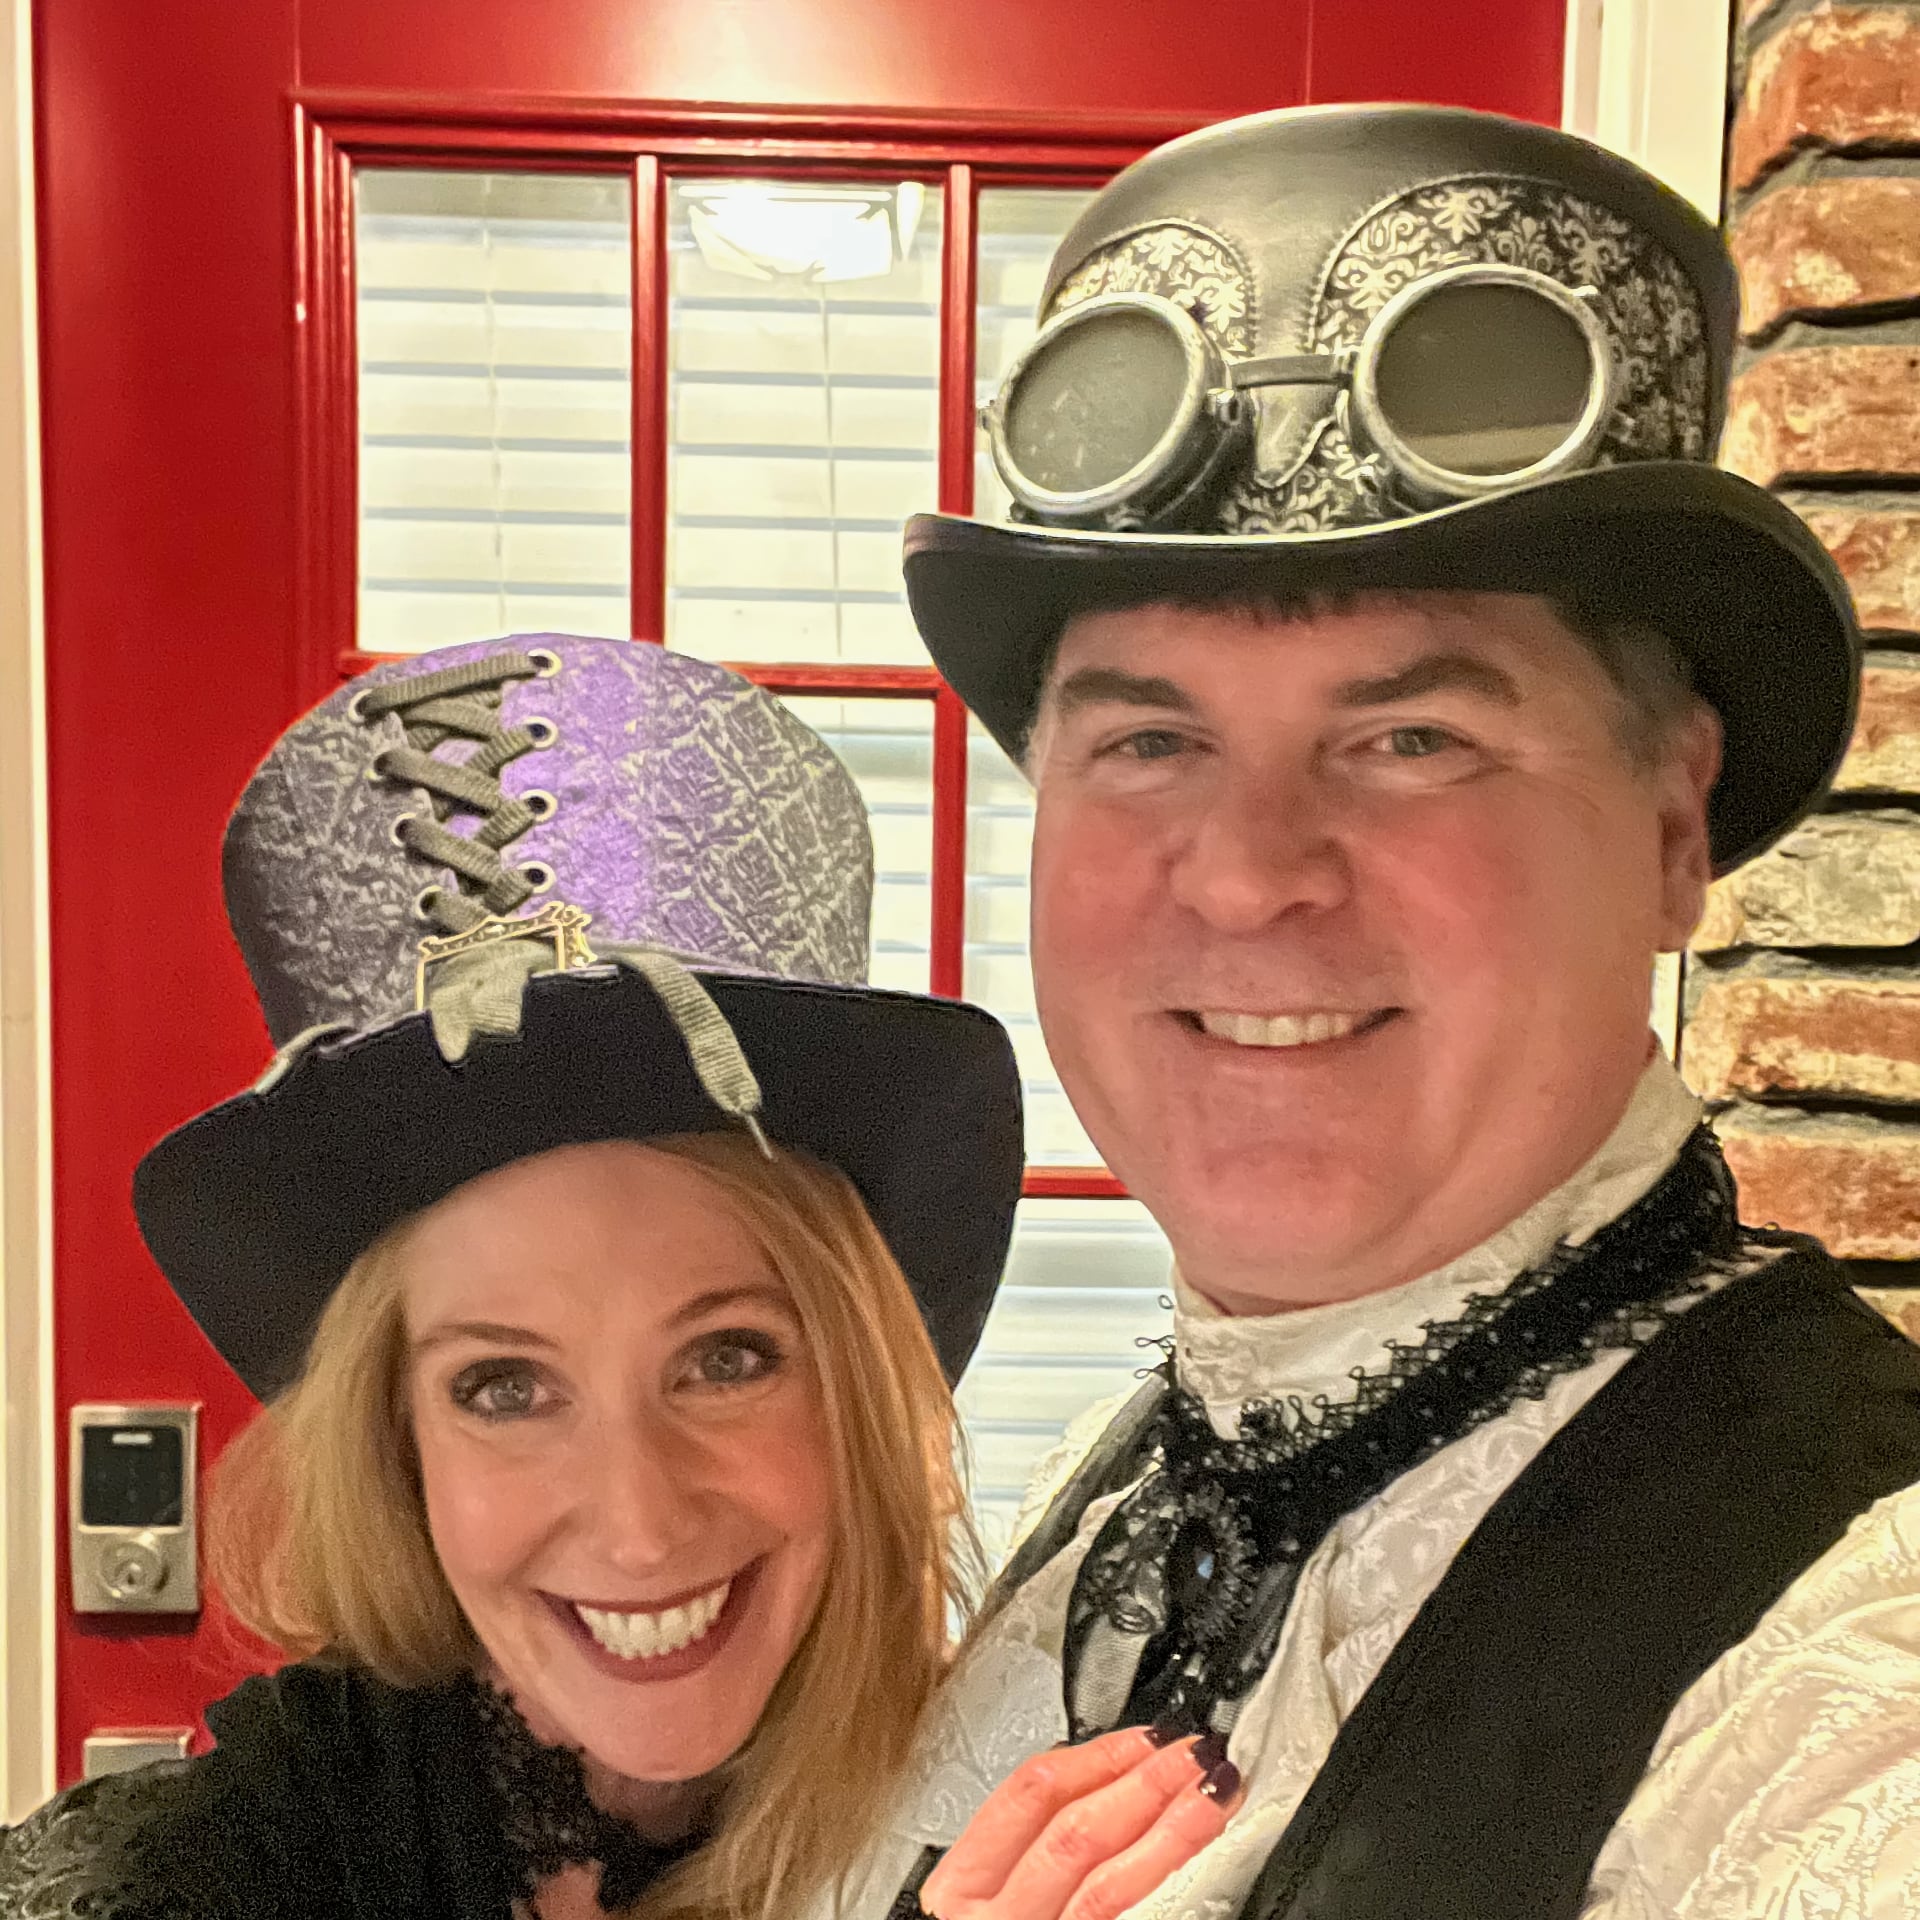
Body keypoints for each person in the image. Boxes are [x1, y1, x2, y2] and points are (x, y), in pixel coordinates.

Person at [817, 105, 1920, 1920]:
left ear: (1671, 828)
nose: (1250, 875)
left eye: (1413, 738)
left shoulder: (1851, 1673)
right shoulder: (1131, 1485)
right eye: (1150, 740)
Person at [1, 633, 1043, 1920]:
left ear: (855, 1387)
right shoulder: (201, 1879)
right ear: (397, 1444)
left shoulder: (1049, 1806)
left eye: (726, 1359)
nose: (638, 1524)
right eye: (503, 1386)